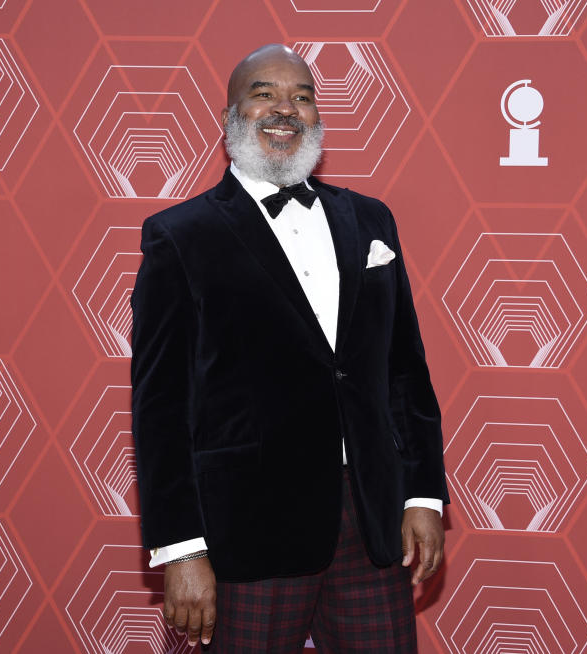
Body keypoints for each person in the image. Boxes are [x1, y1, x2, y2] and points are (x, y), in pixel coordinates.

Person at [130, 43, 448, 653]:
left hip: (372, 523)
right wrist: (180, 549)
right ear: (230, 116)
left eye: (302, 96)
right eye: (264, 93)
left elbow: (405, 372)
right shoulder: (180, 237)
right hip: (249, 530)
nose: (285, 108)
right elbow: (160, 409)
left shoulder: (372, 222)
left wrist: (422, 493)